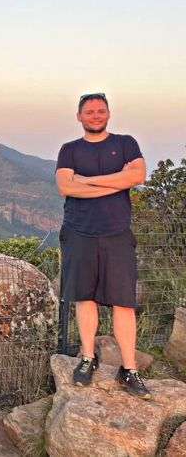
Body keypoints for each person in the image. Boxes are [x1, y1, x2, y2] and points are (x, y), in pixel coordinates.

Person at [54, 92, 150, 398]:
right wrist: (116, 180)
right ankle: (87, 357)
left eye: (101, 110)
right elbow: (66, 186)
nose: (96, 115)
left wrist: (89, 181)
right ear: (79, 116)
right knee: (85, 298)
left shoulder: (126, 143)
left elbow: (138, 176)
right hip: (79, 232)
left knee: (124, 303)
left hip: (117, 234)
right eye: (90, 111)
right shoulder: (69, 150)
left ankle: (129, 368)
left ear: (108, 114)